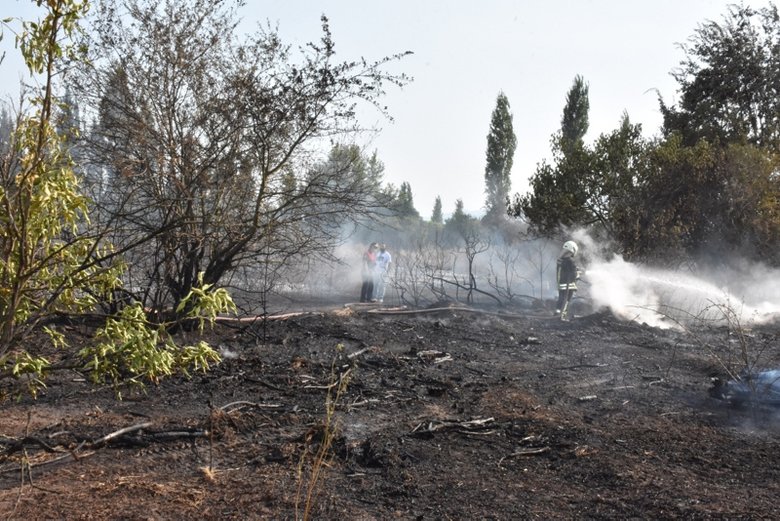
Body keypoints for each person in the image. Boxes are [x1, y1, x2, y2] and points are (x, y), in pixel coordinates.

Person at [556, 240, 581, 320]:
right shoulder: (571, 261)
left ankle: (556, 313)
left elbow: (565, 271)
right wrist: (578, 274)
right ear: (573, 250)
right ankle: (561, 317)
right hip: (568, 286)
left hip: (561, 285)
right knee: (566, 301)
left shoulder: (561, 260)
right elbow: (573, 275)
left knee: (561, 300)